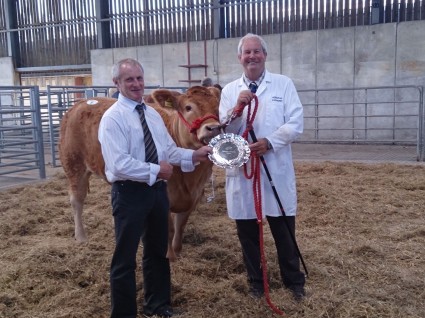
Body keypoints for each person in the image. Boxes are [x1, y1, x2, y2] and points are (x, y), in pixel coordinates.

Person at [98, 58, 212, 318]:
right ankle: (124, 313)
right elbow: (117, 165)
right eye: (129, 79)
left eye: (139, 78)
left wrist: (195, 156)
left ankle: (158, 305)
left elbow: (168, 150)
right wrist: (155, 171)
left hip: (157, 193)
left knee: (158, 252)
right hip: (129, 193)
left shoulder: (151, 114)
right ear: (116, 83)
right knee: (124, 258)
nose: (136, 84)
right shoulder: (112, 118)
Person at [218, 33, 306, 301]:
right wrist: (237, 107)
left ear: (265, 55)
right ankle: (257, 282)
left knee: (283, 229)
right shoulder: (230, 90)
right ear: (240, 58)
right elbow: (224, 132)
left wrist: (270, 141)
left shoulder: (283, 84)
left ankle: (293, 281)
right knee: (248, 233)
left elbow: (296, 122)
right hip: (244, 173)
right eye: (247, 52)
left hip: (275, 168)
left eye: (257, 51)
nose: (252, 56)